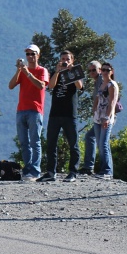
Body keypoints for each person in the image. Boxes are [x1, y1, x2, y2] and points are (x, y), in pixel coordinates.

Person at [38, 50, 84, 182]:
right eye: (63, 59)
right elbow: (51, 86)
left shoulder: (76, 72)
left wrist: (71, 71)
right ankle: (51, 172)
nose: (65, 61)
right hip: (55, 114)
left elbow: (80, 86)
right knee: (51, 144)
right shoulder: (55, 72)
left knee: (73, 144)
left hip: (70, 114)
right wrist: (58, 72)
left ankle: (73, 172)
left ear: (72, 60)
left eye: (67, 59)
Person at [8, 43, 49, 181]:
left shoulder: (42, 70)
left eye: (33, 54)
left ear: (38, 55)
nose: (30, 56)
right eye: (28, 54)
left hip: (35, 110)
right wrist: (19, 71)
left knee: (35, 142)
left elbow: (41, 85)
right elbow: (11, 85)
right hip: (21, 110)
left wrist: (27, 73)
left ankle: (36, 171)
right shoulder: (23, 72)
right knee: (24, 142)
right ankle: (27, 169)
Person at [92, 62, 119, 179]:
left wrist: (107, 118)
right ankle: (104, 169)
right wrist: (94, 109)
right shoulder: (102, 84)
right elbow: (97, 98)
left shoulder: (112, 85)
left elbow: (112, 102)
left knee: (104, 143)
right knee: (100, 143)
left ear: (111, 71)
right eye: (103, 70)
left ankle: (108, 171)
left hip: (106, 118)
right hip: (98, 117)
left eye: (107, 70)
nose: (105, 72)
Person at [79, 61, 102, 176]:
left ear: (100, 70)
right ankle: (91, 167)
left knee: (97, 139)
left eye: (94, 70)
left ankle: (93, 167)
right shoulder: (97, 81)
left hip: (104, 117)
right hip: (99, 116)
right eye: (90, 70)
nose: (92, 72)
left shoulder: (101, 80)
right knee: (93, 137)